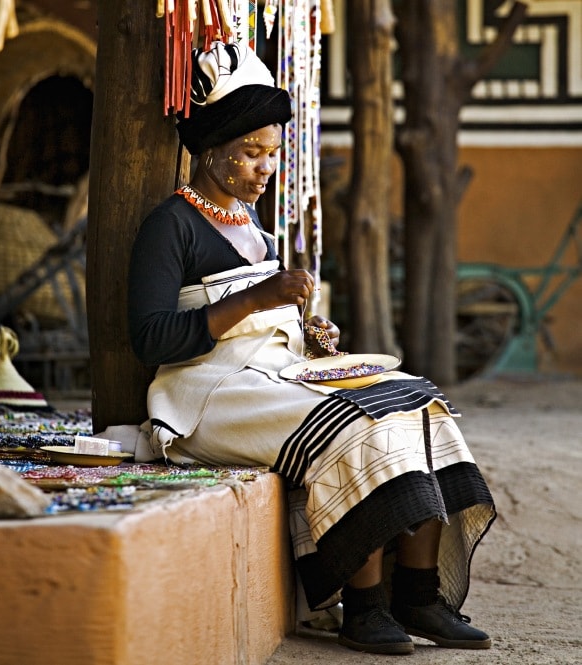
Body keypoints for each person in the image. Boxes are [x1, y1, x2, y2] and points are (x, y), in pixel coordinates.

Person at [127, 41, 496, 656]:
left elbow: (268, 323)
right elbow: (152, 338)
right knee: (354, 424)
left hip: (274, 376)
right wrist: (257, 298)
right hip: (209, 393)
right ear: (212, 150)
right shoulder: (171, 226)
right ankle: (364, 605)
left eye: (272, 153)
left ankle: (419, 594)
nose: (265, 167)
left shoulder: (254, 230)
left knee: (418, 403)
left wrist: (309, 335)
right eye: (251, 153)